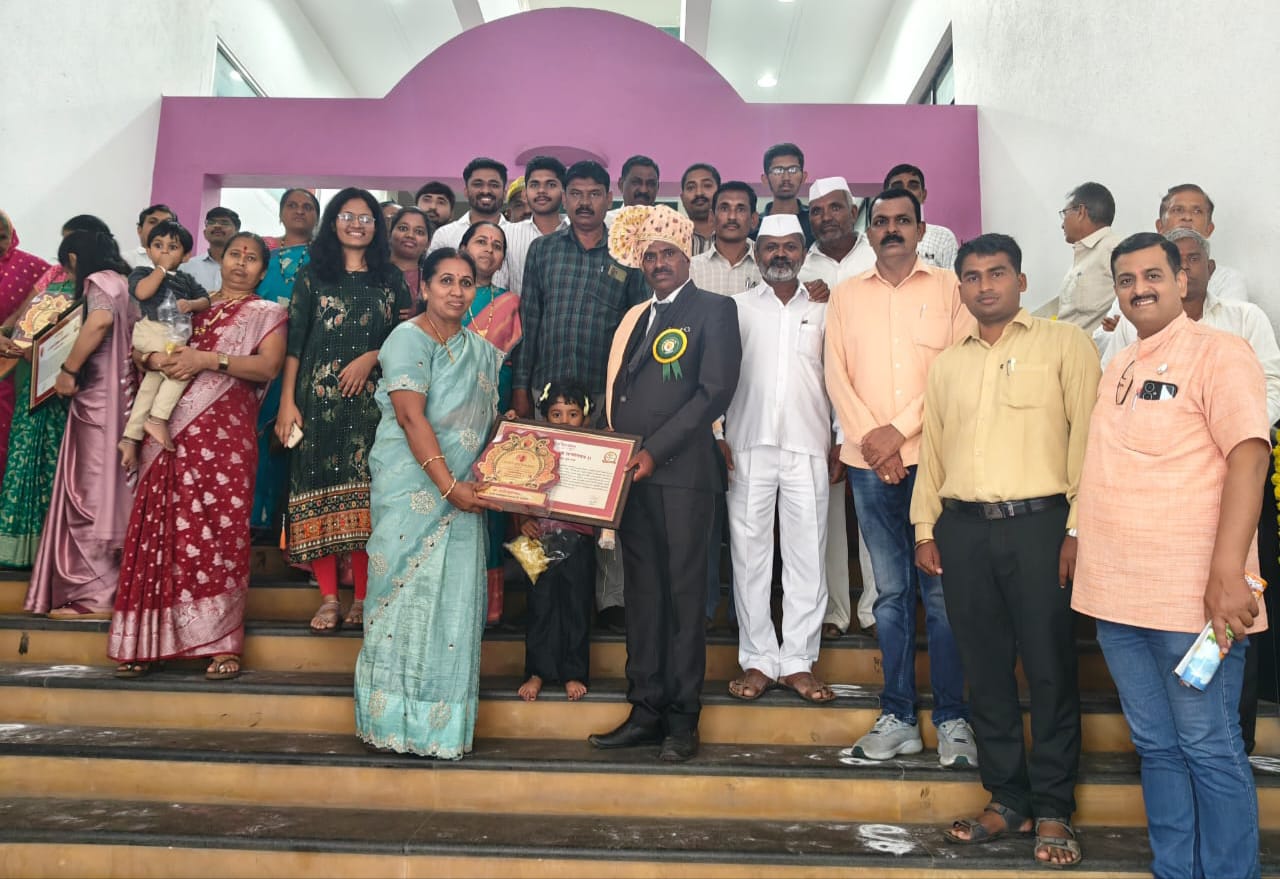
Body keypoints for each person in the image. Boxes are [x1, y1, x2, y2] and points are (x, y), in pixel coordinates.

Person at [1072, 232, 1268, 879]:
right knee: (1155, 746)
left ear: (1183, 280)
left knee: (1208, 745)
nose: (1140, 289)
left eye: (1153, 275)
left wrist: (1229, 574)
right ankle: (1175, 870)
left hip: (1194, 603)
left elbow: (1249, 457)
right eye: (1126, 280)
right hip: (1117, 600)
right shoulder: (1120, 364)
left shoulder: (1220, 352)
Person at [912, 234, 1099, 867]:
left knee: (1049, 668)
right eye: (972, 276)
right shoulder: (948, 364)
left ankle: (1053, 807)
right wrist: (925, 528)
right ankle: (1008, 799)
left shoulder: (1065, 345)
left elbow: (1089, 443)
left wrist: (1078, 530)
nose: (985, 285)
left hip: (1040, 527)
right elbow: (933, 451)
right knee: (985, 669)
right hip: (963, 530)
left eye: (997, 273)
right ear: (960, 287)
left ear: (1021, 281)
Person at [824, 187, 977, 766]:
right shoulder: (846, 295)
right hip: (870, 466)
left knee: (943, 594)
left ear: (920, 229)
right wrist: (875, 440)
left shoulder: (950, 289)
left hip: (935, 461)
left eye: (902, 221)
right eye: (882, 221)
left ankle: (954, 719)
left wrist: (898, 432)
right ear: (869, 232)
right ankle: (898, 715)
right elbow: (835, 375)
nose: (891, 229)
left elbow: (956, 368)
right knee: (890, 594)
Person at [590, 204, 741, 763]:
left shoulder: (715, 310)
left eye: (668, 253)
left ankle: (682, 718)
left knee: (682, 599)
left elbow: (713, 393)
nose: (658, 263)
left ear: (687, 256)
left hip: (682, 479)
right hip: (633, 481)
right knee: (644, 598)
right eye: (650, 255)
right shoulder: (635, 318)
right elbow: (620, 394)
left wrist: (654, 451)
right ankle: (645, 709)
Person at [108, 232, 287, 679]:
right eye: (234, 255)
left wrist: (208, 360)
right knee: (158, 531)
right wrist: (152, 360)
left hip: (224, 441)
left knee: (219, 536)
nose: (241, 263)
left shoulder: (267, 313)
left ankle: (220, 641)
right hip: (167, 434)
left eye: (251, 258)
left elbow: (267, 366)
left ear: (263, 272)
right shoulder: (190, 306)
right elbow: (144, 348)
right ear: (220, 261)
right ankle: (144, 642)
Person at [354, 247, 501, 758]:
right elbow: (410, 417)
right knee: (400, 598)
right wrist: (448, 487)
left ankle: (439, 728)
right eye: (446, 281)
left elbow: (488, 427)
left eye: (466, 282)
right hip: (414, 492)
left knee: (452, 608)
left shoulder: (480, 351)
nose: (457, 291)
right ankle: (389, 721)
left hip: (465, 494)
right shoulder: (407, 338)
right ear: (425, 286)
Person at [511, 160, 648, 633]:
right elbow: (530, 321)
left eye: (594, 193)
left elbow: (637, 332)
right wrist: (522, 389)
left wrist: (622, 404)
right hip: (547, 395)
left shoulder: (627, 254)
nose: (585, 202)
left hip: (604, 397)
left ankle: (609, 600)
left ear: (610, 198)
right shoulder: (544, 250)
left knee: (603, 498)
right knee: (544, 493)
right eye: (576, 193)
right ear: (565, 198)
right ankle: (544, 593)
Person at [275, 187, 412, 634]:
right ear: (332, 222)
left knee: (369, 499)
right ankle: (330, 598)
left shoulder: (390, 278)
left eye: (366, 217)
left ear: (377, 227)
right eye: (347, 216)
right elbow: (295, 345)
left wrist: (372, 356)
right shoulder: (313, 275)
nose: (357, 224)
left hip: (373, 407)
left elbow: (405, 340)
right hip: (316, 405)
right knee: (316, 494)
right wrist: (287, 402)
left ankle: (365, 596)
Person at [724, 214, 840, 704]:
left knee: (807, 555)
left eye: (789, 246)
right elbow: (718, 373)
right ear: (756, 254)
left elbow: (840, 373)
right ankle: (757, 658)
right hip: (746, 443)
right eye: (770, 246)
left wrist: (840, 437)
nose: (780, 254)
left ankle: (798, 662)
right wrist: (716, 432)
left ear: (803, 252)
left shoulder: (826, 308)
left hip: (808, 443)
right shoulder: (735, 309)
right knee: (749, 555)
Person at [24, 230, 137, 619]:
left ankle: (94, 595)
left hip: (98, 400)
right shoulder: (124, 281)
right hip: (122, 399)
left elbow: (99, 322)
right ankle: (110, 588)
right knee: (112, 490)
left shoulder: (98, 282)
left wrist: (68, 369)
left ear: (73, 259)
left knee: (89, 492)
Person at [0, 214, 112, 567]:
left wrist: (60, 363)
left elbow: (98, 332)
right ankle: (28, 549)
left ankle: (52, 549)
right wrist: (16, 341)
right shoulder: (56, 278)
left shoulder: (101, 286)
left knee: (58, 460)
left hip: (70, 385)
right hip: (40, 382)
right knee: (32, 454)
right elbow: (24, 325)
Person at [796, 177, 875, 642]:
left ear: (853, 211)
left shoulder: (875, 256)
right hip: (817, 402)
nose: (826, 218)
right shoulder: (800, 265)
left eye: (835, 208)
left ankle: (876, 609)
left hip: (872, 401)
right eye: (817, 211)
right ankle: (833, 611)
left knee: (872, 512)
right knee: (822, 510)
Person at [1101, 230, 1280, 422]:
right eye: (1178, 260)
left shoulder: (1245, 318)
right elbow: (1111, 386)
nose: (1185, 266)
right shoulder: (1131, 324)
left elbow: (1272, 384)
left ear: (1210, 269)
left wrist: (1244, 428)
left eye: (1193, 258)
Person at [517, 380, 597, 703]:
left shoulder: (594, 452)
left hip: (580, 539)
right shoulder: (534, 449)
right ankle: (537, 671)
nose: (565, 420)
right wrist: (523, 521)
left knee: (576, 606)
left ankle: (573, 673)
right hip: (538, 539)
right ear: (544, 418)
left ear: (585, 419)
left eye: (573, 414)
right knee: (539, 606)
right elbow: (518, 489)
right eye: (556, 414)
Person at [460, 219, 522, 623]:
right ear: (463, 247)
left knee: (489, 500)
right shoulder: (446, 294)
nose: (488, 249)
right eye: (480, 241)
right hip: (445, 415)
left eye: (497, 245)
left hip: (494, 412)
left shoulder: (510, 303)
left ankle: (487, 607)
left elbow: (518, 361)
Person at [251, 188, 318, 537]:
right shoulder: (262, 257)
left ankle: (287, 530)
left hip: (306, 362)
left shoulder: (325, 259)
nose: (299, 211)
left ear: (317, 217)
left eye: (307, 207)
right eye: (292, 205)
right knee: (260, 439)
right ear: (280, 213)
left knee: (296, 442)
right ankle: (256, 522)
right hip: (261, 362)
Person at [118, 219, 210, 466]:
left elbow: (206, 300)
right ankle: (158, 418)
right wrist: (161, 269)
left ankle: (130, 436)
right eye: (158, 246)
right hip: (152, 330)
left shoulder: (186, 279)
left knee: (151, 384)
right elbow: (142, 293)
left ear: (186, 255)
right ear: (148, 251)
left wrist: (191, 304)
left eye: (173, 247)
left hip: (172, 334)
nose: (165, 252)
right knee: (180, 370)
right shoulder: (142, 273)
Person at [0, 210, 53, 477]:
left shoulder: (33, 267)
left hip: (12, 365)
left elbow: (54, 304)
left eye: (2, 237)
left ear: (12, 236)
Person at [425, 158, 513, 280]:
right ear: (466, 191)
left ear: (504, 193)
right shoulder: (445, 235)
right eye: (478, 184)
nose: (486, 191)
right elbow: (430, 279)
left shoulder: (516, 235)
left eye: (494, 185)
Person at [1053, 182, 1122, 335]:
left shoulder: (1113, 250)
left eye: (1065, 213)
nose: (1062, 224)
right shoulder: (1084, 255)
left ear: (1081, 212)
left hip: (1094, 348)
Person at [503, 155, 567, 297]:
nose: (541, 190)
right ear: (525, 194)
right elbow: (497, 290)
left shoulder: (578, 231)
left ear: (564, 193)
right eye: (534, 185)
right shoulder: (507, 234)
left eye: (551, 184)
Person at [689, 181, 761, 296]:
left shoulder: (766, 269)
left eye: (740, 209)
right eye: (724, 209)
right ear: (712, 218)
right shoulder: (691, 269)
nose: (732, 217)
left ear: (754, 220)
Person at [884, 163, 959, 271]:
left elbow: (953, 280)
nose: (906, 191)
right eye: (897, 187)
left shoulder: (943, 238)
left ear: (923, 195)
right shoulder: (873, 239)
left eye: (913, 186)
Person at [758, 143, 813, 247]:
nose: (786, 178)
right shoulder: (755, 226)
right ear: (765, 179)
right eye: (778, 171)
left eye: (793, 170)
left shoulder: (814, 221)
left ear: (804, 177)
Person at [388, 207, 432, 315]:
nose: (410, 235)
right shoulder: (372, 273)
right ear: (390, 234)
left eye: (419, 232)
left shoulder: (432, 280)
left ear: (428, 243)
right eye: (403, 228)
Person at [185, 207, 240, 291]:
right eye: (211, 222)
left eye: (224, 223)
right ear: (205, 233)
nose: (217, 226)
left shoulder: (245, 267)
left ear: (237, 233)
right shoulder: (187, 266)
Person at [604, 155, 660, 226]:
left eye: (651, 184)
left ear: (657, 188)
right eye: (636, 182)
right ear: (621, 184)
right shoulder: (605, 223)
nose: (643, 190)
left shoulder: (667, 225)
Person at [679, 163, 720, 255]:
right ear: (682, 198)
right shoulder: (670, 239)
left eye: (707, 186)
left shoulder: (740, 237)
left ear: (721, 194)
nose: (699, 193)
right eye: (691, 187)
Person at [124, 204, 176, 268]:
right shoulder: (125, 260)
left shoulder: (182, 263)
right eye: (153, 222)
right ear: (140, 230)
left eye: (167, 223)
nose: (160, 227)